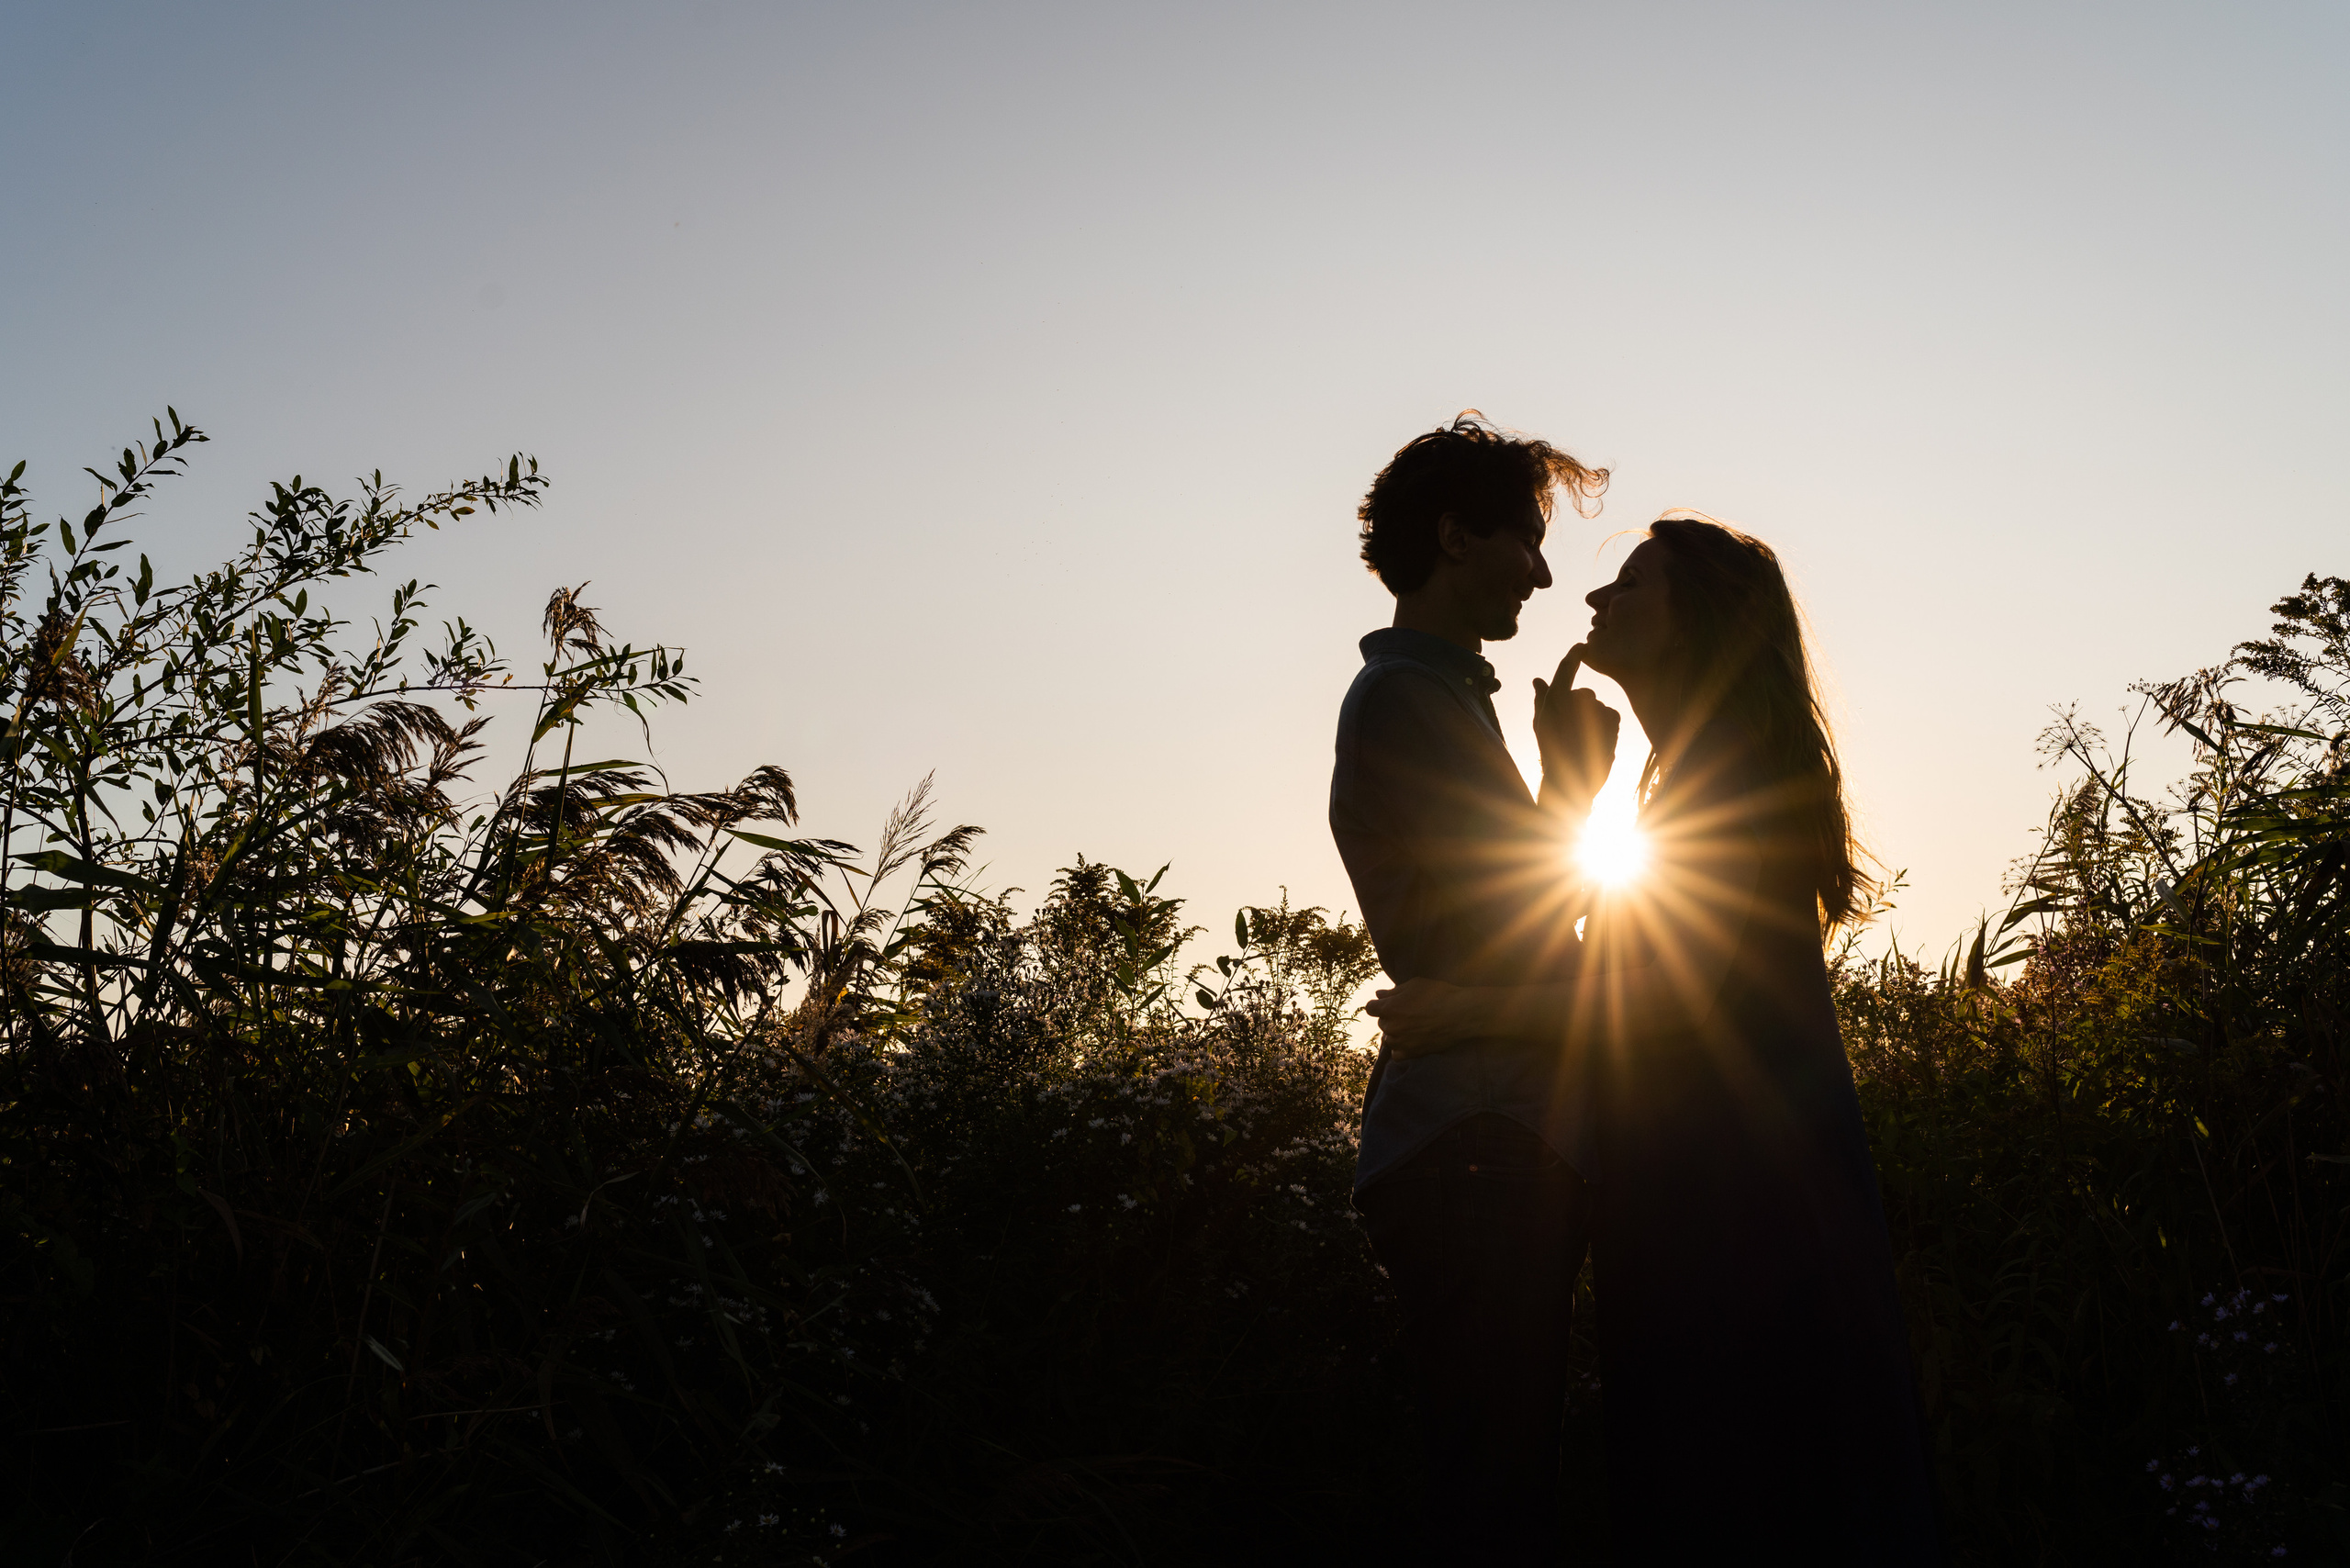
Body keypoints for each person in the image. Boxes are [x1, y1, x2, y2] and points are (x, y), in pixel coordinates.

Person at [1370, 515, 1944, 1563]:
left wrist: (1465, 1011)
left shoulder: (1733, 774)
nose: (1591, 601)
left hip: (1750, 1200)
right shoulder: (1677, 785)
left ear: (1698, 625)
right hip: (1686, 1189)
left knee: (1758, 1483)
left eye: (1630, 584)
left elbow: (1673, 996)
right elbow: (1593, 965)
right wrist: (1567, 793)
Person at [1330, 412, 1617, 1565]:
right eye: (1527, 538)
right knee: (1492, 1484)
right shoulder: (1409, 703)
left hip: (1481, 1129)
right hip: (1474, 1133)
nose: (1544, 572)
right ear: (1455, 537)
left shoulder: (1443, 699)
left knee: (1490, 1465)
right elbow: (1527, 924)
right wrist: (1575, 788)